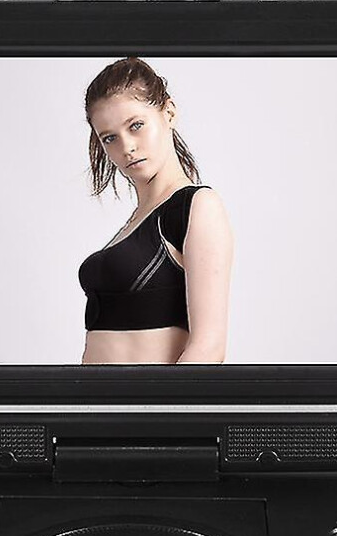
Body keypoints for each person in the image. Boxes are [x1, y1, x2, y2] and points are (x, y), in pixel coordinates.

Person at [79, 57, 233, 365]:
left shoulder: (196, 207)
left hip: (144, 397)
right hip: (88, 396)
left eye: (136, 126)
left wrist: (157, 400)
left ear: (169, 113)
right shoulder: (135, 222)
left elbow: (208, 348)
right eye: (110, 138)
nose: (126, 147)